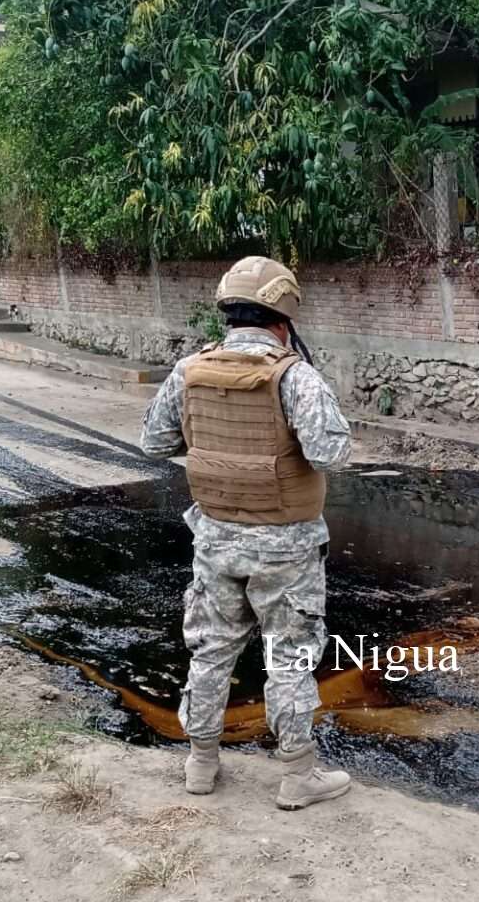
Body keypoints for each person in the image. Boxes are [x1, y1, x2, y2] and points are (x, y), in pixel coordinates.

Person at [139, 256, 354, 810]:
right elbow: (329, 451)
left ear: (228, 313)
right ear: (284, 316)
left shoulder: (189, 370)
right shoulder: (295, 375)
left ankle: (201, 764)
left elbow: (154, 443)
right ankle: (296, 776)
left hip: (214, 539)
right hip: (286, 546)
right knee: (288, 657)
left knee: (210, 652)